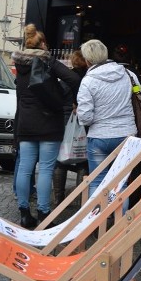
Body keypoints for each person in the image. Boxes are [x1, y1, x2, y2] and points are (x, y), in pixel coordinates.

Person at [12, 25, 81, 227]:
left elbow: (19, 98)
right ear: (43, 44)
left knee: (25, 169)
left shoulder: (19, 64)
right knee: (45, 169)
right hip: (49, 122)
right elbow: (74, 78)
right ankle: (43, 213)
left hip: (26, 122)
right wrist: (65, 95)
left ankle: (24, 214)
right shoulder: (47, 61)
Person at [76, 39, 136, 198]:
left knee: (97, 180)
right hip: (126, 135)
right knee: (121, 183)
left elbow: (86, 117)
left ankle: (95, 221)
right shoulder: (127, 74)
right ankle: (121, 222)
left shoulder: (87, 81)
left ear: (87, 61)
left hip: (99, 137)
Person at [53, 49, 88, 206]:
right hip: (83, 123)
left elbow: (58, 97)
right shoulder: (88, 77)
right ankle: (81, 199)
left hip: (64, 120)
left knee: (61, 160)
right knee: (83, 160)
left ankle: (58, 198)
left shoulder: (67, 78)